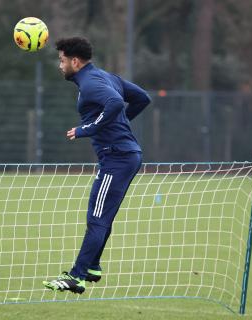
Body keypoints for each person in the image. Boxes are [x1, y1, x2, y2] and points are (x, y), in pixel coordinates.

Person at [43, 37, 151, 294]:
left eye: (62, 60)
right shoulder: (104, 76)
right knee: (103, 216)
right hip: (123, 155)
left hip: (117, 157)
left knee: (97, 217)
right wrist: (118, 123)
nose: (60, 66)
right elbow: (142, 98)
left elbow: (115, 104)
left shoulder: (90, 83)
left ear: (75, 61)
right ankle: (92, 267)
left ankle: (77, 277)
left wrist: (87, 129)